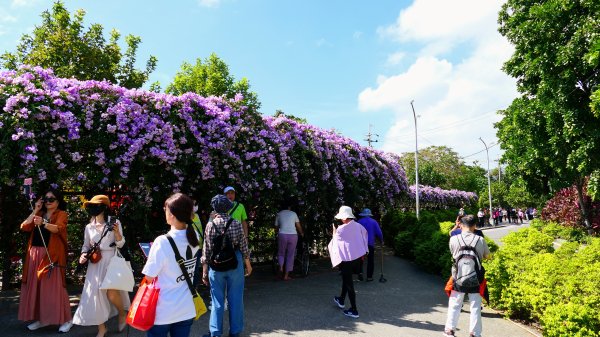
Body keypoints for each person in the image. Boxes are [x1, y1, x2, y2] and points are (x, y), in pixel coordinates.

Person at [142, 193, 201, 337]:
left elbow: (149, 277)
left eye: (166, 209)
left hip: (164, 310)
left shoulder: (162, 241)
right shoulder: (195, 237)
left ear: (173, 215)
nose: (165, 212)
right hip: (186, 308)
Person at [72, 195, 130, 337]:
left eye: (96, 206)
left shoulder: (114, 223)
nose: (92, 209)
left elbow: (121, 244)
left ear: (104, 208)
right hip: (95, 262)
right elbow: (86, 246)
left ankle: (122, 314)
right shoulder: (89, 227)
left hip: (111, 260)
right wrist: (83, 255)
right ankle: (102, 328)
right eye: (90, 206)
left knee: (111, 293)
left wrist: (117, 233)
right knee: (95, 296)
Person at [18, 188, 73, 333]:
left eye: (51, 199)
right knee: (38, 288)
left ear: (58, 201)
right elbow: (24, 226)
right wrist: (35, 210)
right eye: (46, 199)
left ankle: (67, 319)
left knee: (55, 288)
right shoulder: (39, 213)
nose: (48, 202)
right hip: (34, 254)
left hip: (51, 255)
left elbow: (59, 229)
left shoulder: (61, 214)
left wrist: (43, 223)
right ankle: (42, 319)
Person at [202, 195, 252, 337]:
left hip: (216, 263)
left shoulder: (210, 225)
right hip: (234, 262)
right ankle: (235, 332)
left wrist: (205, 270)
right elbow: (243, 245)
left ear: (214, 208)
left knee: (217, 300)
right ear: (229, 208)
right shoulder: (235, 223)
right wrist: (248, 264)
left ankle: (215, 333)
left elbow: (207, 249)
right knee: (236, 299)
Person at [443, 215, 491, 337]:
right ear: (475, 225)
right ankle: (475, 333)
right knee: (475, 306)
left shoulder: (453, 239)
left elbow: (453, 254)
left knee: (455, 304)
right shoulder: (480, 239)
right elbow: (487, 256)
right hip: (476, 277)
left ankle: (449, 331)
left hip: (457, 277)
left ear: (461, 225)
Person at [329, 206, 368, 319]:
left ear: (345, 217)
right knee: (347, 280)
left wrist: (334, 232)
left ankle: (354, 310)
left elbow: (336, 241)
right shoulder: (359, 226)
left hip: (347, 260)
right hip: (356, 259)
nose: (341, 219)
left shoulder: (341, 229)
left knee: (349, 284)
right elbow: (364, 237)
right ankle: (341, 299)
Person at [274, 200, 304, 281]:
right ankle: (286, 276)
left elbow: (276, 227)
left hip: (282, 234)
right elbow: (298, 225)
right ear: (289, 207)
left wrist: (276, 232)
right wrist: (301, 233)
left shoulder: (279, 214)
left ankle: (280, 267)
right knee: (290, 255)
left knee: (281, 253)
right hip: (293, 235)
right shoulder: (293, 214)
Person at [357, 208, 383, 282]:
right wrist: (381, 240)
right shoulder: (374, 222)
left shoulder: (359, 222)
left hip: (360, 244)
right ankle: (369, 276)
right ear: (370, 214)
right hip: (370, 244)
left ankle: (360, 273)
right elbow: (379, 232)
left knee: (360, 260)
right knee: (370, 260)